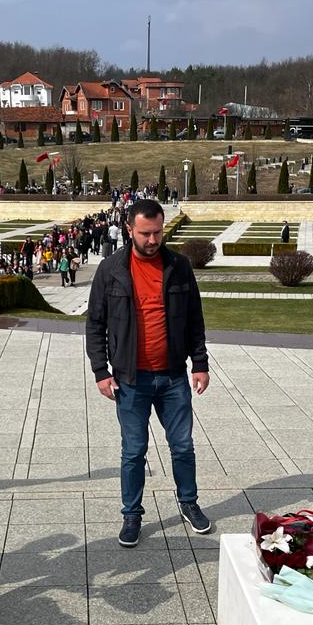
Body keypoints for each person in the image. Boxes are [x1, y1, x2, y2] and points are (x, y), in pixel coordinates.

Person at [86, 198, 212, 547]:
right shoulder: (111, 269)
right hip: (130, 379)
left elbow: (194, 320)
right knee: (133, 451)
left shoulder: (179, 266)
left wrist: (199, 363)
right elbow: (95, 325)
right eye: (145, 233)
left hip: (172, 376)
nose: (153, 240)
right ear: (129, 229)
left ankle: (188, 502)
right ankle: (131, 514)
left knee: (183, 446)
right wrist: (101, 370)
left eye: (158, 232)